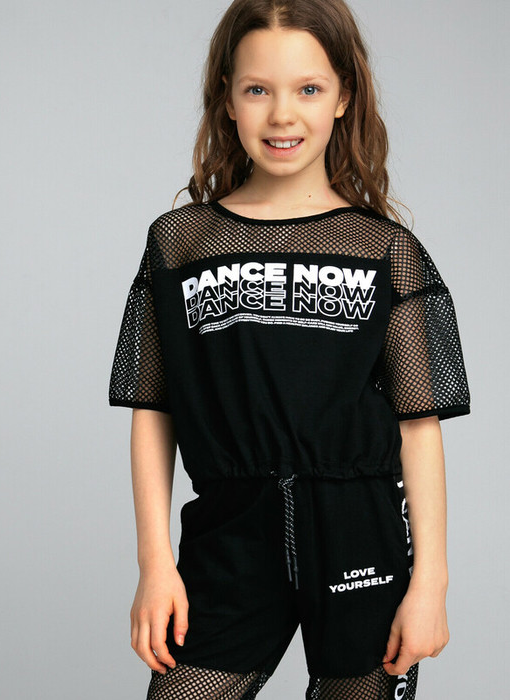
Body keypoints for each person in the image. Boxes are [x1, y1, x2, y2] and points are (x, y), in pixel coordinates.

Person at [108, 0, 471, 698]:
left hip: (360, 536)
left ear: (343, 97)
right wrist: (155, 564)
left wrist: (431, 582)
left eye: (308, 88)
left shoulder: (384, 250)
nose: (282, 115)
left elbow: (418, 425)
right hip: (228, 537)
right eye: (257, 89)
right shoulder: (180, 244)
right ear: (227, 100)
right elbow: (153, 408)